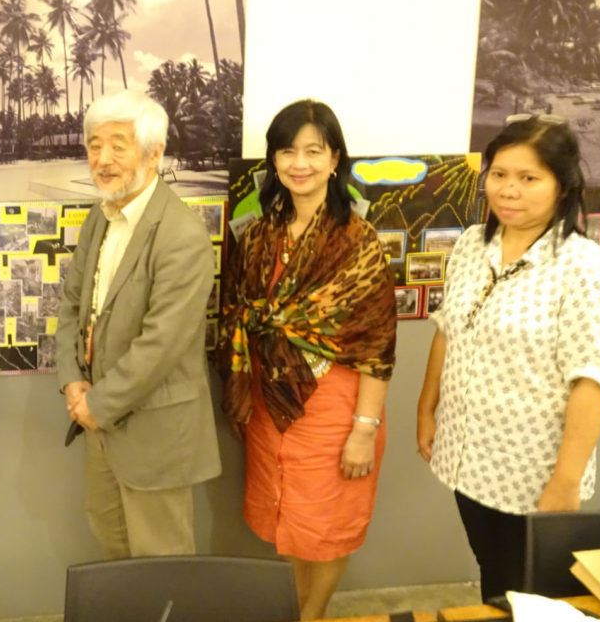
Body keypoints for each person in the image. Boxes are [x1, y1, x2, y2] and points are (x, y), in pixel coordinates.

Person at [417, 114, 600, 602]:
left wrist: (566, 480)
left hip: (532, 467)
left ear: (562, 186)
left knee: (532, 588)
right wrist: (426, 408)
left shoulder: (583, 266)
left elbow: (592, 378)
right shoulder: (469, 246)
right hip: (467, 454)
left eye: (529, 178)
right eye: (499, 174)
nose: (508, 190)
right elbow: (448, 331)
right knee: (492, 568)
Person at [217, 100, 396, 621]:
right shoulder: (258, 234)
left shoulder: (358, 242)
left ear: (335, 158)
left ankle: (312, 614)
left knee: (328, 525)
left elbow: (378, 347)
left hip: (335, 407)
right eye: (287, 150)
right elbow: (237, 310)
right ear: (273, 160)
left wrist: (364, 427)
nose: (300, 163)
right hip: (271, 405)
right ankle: (296, 610)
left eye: (313, 151)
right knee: (288, 521)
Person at [56, 89, 221, 559]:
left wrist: (96, 404)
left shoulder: (181, 236)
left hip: (153, 431)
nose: (102, 159)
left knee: (160, 564)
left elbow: (160, 346)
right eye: (93, 145)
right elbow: (72, 307)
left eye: (118, 145)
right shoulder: (100, 218)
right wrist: (72, 383)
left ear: (154, 153)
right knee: (112, 546)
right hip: (96, 422)